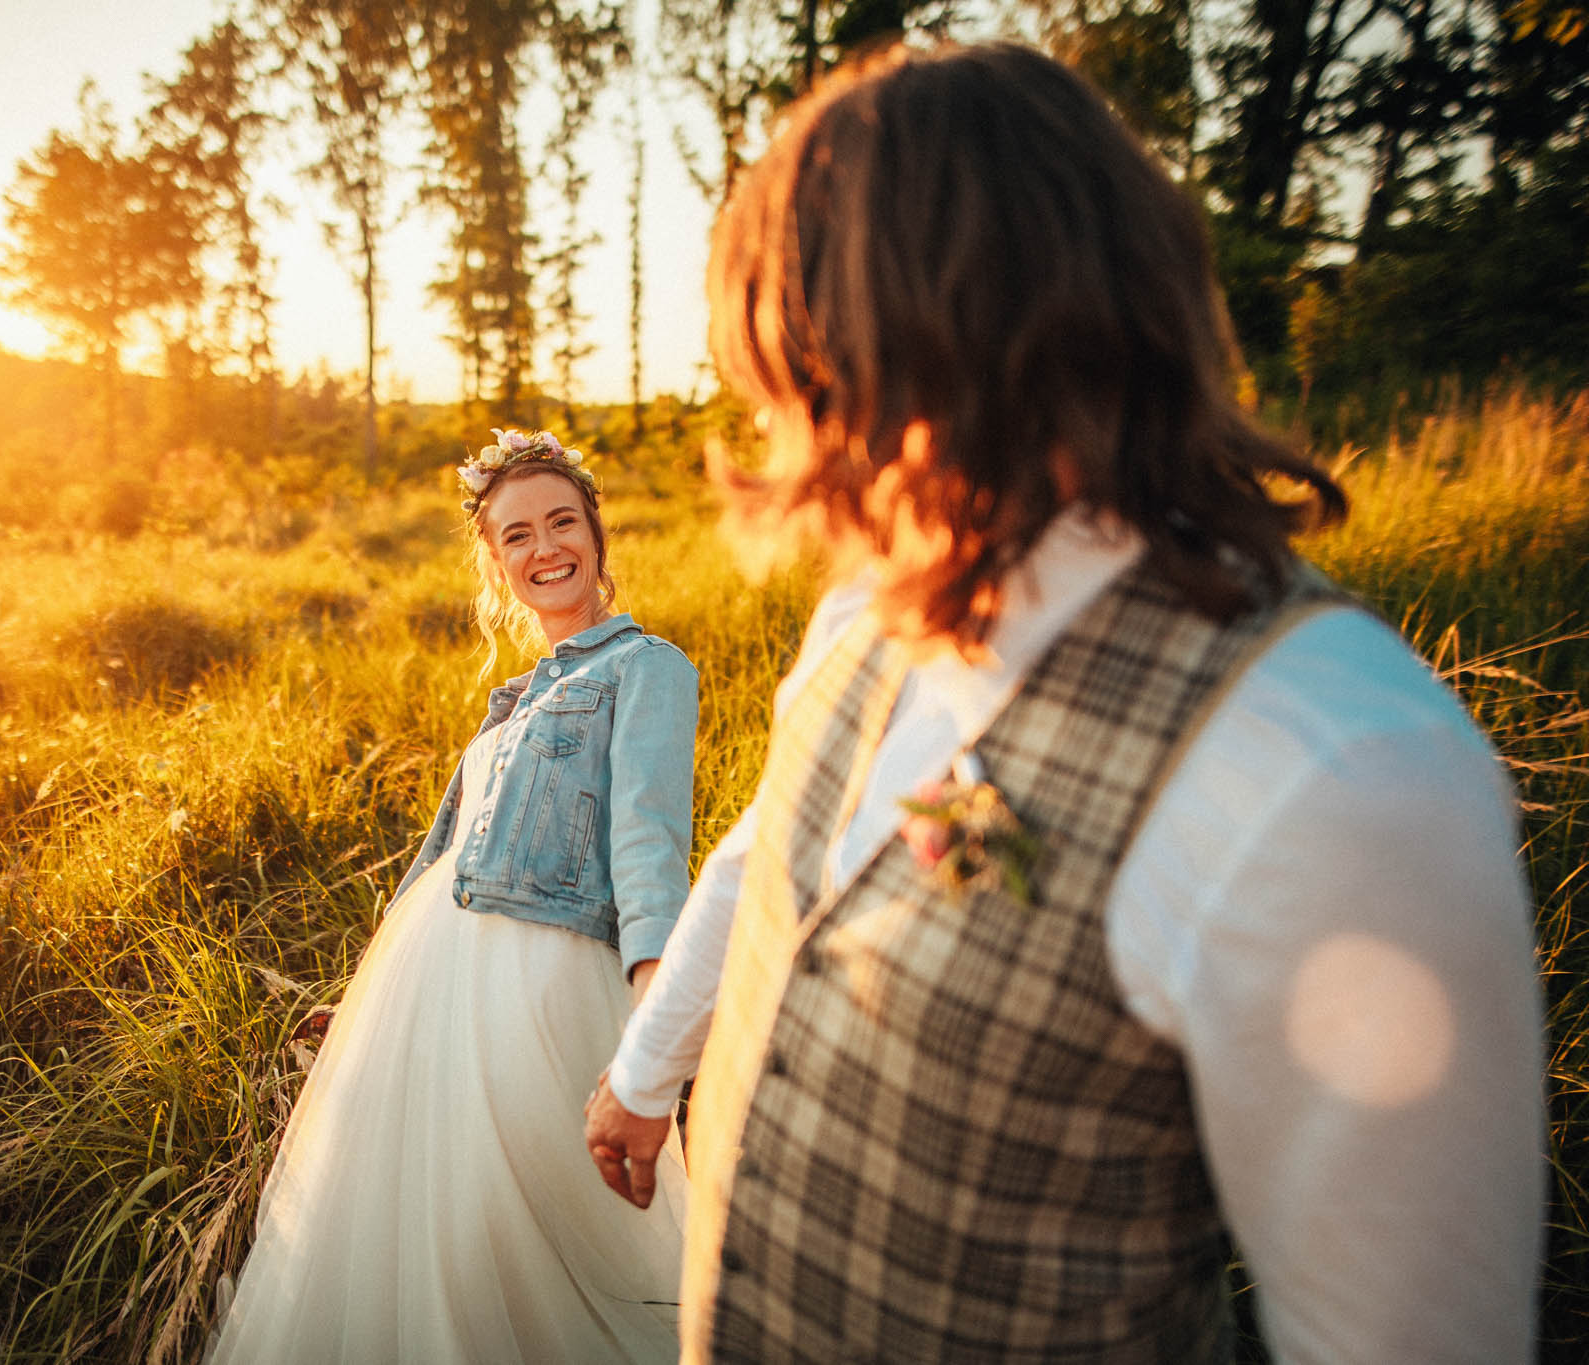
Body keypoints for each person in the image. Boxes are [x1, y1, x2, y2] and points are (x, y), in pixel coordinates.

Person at [582, 41, 1547, 1364]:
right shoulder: (873, 599)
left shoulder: (1336, 765)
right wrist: (648, 1072)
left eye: (797, 382)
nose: (783, 441)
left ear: (908, 356)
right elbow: (773, 849)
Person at [209, 428, 697, 1364]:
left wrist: (654, 1017)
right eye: (517, 534)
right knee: (406, 1230)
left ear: (596, 536)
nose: (545, 548)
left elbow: (647, 844)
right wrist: (356, 1001)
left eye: (562, 522)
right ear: (495, 560)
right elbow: (435, 863)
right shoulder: (510, 701)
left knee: (515, 1239)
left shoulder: (647, 668)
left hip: (543, 989)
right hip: (423, 997)